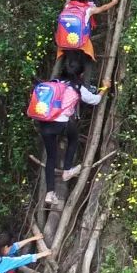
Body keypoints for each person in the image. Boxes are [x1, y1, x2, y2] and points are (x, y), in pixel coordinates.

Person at [31, 53, 110, 207]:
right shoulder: (77, 87)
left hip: (45, 125)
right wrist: (105, 88)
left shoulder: (53, 82)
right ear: (80, 74)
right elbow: (95, 100)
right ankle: (67, 170)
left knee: (51, 158)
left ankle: (49, 193)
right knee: (73, 138)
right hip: (61, 124)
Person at [55, 0, 119, 64]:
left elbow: (70, 0)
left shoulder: (67, 5)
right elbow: (104, 8)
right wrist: (114, 2)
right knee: (87, 44)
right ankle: (88, 61)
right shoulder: (88, 9)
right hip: (81, 44)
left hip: (63, 42)